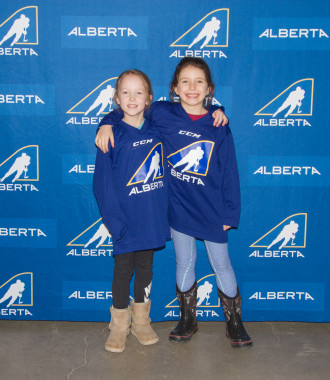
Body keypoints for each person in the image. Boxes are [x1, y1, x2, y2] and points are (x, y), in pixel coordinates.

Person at [96, 57, 252, 349]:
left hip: (211, 209)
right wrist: (106, 122)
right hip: (178, 208)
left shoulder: (219, 125)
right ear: (174, 89)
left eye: (199, 82)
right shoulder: (163, 114)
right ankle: (187, 320)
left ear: (209, 89)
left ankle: (235, 323)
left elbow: (230, 171)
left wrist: (230, 211)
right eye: (185, 81)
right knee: (185, 261)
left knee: (222, 264)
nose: (192, 87)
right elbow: (128, 108)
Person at [93, 69, 170, 353]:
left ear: (150, 98)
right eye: (125, 92)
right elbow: (101, 185)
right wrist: (115, 223)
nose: (132, 97)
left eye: (139, 92)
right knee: (122, 271)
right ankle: (119, 326)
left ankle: (141, 322)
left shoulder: (158, 127)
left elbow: (190, 111)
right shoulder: (110, 135)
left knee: (146, 270)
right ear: (116, 98)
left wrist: (219, 109)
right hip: (124, 222)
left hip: (150, 219)